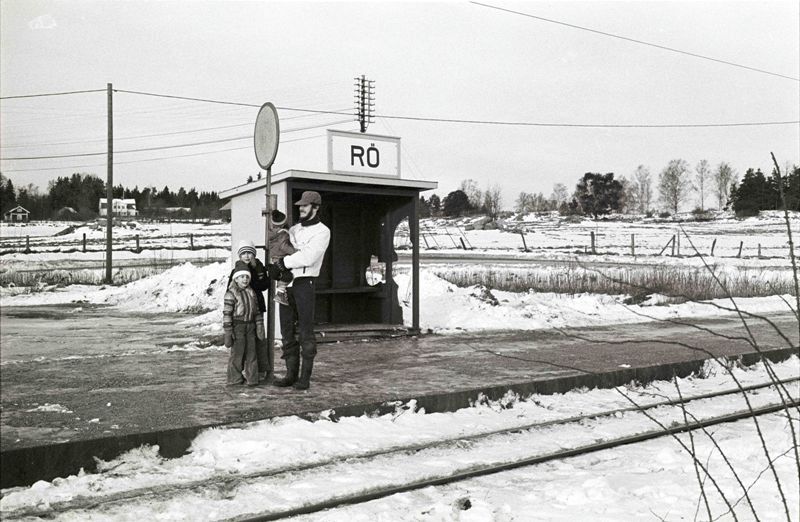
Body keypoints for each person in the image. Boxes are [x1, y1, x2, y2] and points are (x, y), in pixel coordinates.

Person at [273, 191, 330, 391]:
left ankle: (304, 378)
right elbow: (280, 245)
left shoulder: (323, 231)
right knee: (286, 330)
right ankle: (290, 375)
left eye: (305, 206)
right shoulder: (294, 229)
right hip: (285, 284)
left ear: (315, 207)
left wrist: (282, 262)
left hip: (305, 283)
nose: (301, 208)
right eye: (300, 206)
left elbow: (308, 257)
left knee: (306, 331)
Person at [228, 239, 280, 382]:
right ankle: (239, 374)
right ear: (239, 256)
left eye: (249, 253)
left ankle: (259, 371)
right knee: (241, 345)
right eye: (243, 253)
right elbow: (230, 290)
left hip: (256, 308)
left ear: (254, 255)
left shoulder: (258, 267)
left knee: (258, 340)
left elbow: (264, 285)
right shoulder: (236, 271)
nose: (246, 256)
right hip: (241, 312)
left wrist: (260, 272)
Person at [223, 261, 265, 386]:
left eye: (247, 277)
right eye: (242, 277)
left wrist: (259, 325)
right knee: (237, 354)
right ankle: (234, 379)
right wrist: (228, 331)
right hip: (238, 327)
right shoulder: (231, 294)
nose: (245, 279)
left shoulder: (252, 292)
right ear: (236, 279)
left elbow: (257, 311)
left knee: (252, 353)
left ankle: (252, 379)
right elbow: (227, 314)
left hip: (250, 326)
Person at [267, 209, 296, 307]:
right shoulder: (283, 234)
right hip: (281, 259)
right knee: (288, 276)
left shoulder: (271, 233)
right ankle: (280, 293)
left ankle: (281, 293)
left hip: (274, 259)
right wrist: (295, 252)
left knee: (283, 275)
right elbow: (284, 246)